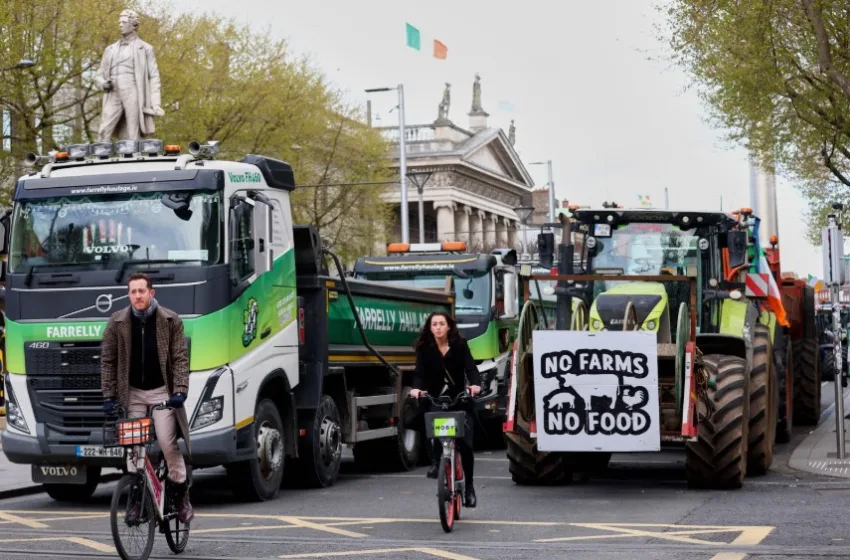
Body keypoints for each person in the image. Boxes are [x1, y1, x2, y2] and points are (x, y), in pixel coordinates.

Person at [100, 272, 194, 523]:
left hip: (162, 391)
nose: (137, 296)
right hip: (133, 393)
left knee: (166, 441)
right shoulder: (116, 321)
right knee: (134, 446)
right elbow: (108, 361)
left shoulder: (170, 320)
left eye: (142, 291)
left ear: (151, 293)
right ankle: (137, 502)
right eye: (133, 291)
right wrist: (109, 396)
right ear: (128, 294)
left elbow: (180, 359)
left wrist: (180, 391)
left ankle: (181, 497)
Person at [409, 311, 481, 507]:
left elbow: (471, 369)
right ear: (430, 328)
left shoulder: (459, 345)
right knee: (432, 427)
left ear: (448, 326)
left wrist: (475, 385)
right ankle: (436, 462)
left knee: (465, 443)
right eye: (434, 324)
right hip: (435, 397)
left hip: (458, 398)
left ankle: (469, 488)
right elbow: (419, 374)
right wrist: (416, 389)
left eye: (442, 323)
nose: (438, 327)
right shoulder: (425, 349)